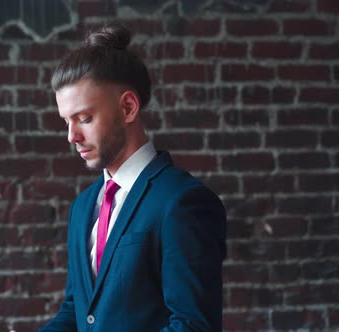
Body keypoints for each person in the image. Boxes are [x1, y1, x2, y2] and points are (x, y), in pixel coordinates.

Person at [38, 24, 227, 332]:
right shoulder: (83, 208)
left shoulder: (182, 202)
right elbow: (78, 312)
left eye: (84, 118)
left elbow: (193, 327)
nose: (72, 136)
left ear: (128, 107)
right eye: (66, 121)